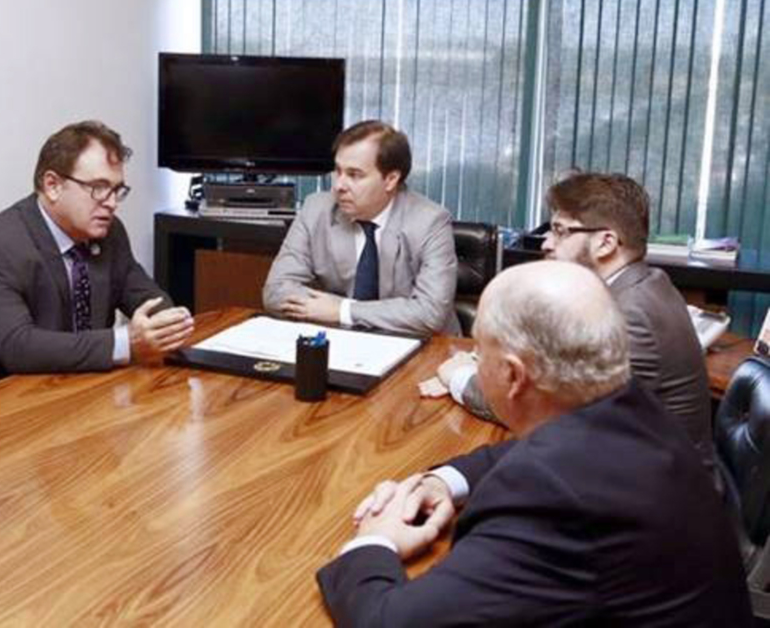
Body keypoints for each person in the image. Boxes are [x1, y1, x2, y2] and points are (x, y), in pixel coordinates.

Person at [317, 260, 752, 626]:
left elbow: (389, 622)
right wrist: (443, 483)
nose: (470, 361)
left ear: (512, 374)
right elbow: (524, 453)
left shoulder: (552, 500)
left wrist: (375, 541)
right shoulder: (632, 410)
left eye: (477, 352)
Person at [442, 171, 719, 490]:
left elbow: (548, 416)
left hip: (656, 497)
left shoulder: (630, 316)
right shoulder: (644, 284)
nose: (546, 243)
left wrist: (461, 378)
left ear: (606, 242)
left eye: (560, 231)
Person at [0, 120, 193, 374]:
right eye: (99, 188)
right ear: (53, 186)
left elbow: (147, 297)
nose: (112, 203)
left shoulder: (109, 232)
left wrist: (164, 324)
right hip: (17, 396)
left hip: (89, 383)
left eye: (117, 190)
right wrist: (126, 342)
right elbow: (19, 347)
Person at [263, 120, 460, 336]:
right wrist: (328, 310)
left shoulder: (430, 222)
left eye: (354, 175)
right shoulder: (316, 209)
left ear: (391, 179)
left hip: (423, 348)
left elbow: (429, 313)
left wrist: (342, 310)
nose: (339, 185)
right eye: (337, 171)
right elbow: (276, 291)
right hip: (344, 343)